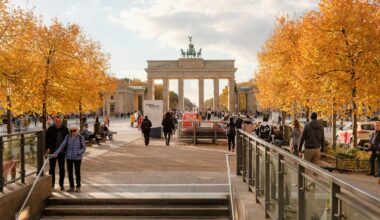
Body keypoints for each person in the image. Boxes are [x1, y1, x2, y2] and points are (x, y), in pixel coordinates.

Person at [53, 125, 86, 192]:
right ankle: (71, 186)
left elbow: (84, 147)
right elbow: (62, 145)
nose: (72, 132)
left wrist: (79, 152)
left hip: (77, 158)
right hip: (69, 157)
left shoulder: (80, 137)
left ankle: (78, 186)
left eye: (74, 130)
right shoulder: (68, 137)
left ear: (77, 130)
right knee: (70, 173)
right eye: (71, 131)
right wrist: (56, 153)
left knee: (77, 172)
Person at [46, 116, 69, 190]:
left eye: (59, 121)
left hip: (61, 152)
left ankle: (61, 185)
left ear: (61, 121)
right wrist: (48, 148)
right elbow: (46, 139)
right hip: (52, 152)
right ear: (54, 121)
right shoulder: (50, 129)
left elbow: (68, 140)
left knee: (62, 168)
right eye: (57, 121)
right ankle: (51, 185)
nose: (58, 122)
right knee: (51, 169)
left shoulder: (65, 129)